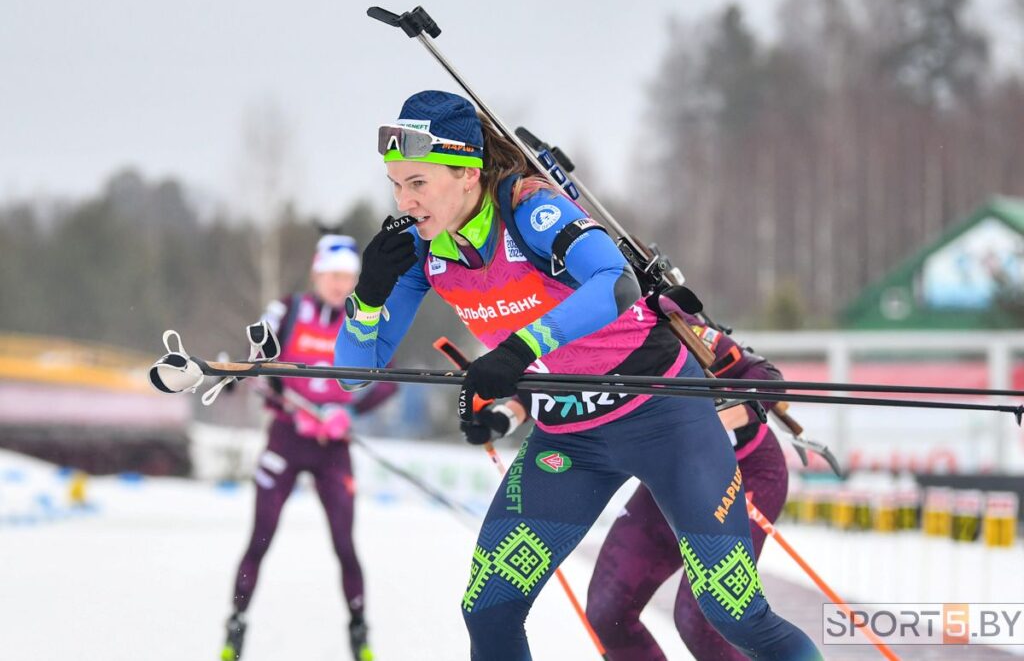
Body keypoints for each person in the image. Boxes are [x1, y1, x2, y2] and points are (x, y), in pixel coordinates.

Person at [334, 89, 821, 660]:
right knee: (489, 609)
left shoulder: (529, 208)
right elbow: (353, 376)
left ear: (467, 174)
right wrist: (367, 297)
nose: (405, 200)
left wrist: (520, 350)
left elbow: (617, 283)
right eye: (396, 184)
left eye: (418, 183)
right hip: (569, 434)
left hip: (662, 415)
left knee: (733, 615)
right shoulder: (423, 250)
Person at [222, 233, 397, 661]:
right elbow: (256, 358)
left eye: (349, 277)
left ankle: (359, 633)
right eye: (334, 274)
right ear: (318, 273)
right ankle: (236, 628)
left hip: (332, 446)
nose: (341, 285)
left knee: (344, 543)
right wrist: (251, 382)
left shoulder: (366, 317)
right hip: (286, 437)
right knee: (260, 537)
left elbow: (388, 380)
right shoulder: (289, 308)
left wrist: (350, 412)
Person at [585, 316, 791, 660]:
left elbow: (766, 379)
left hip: (746, 470)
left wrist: (713, 422)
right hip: (672, 475)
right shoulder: (567, 329)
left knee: (702, 620)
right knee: (608, 612)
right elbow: (539, 389)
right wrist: (507, 413)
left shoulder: (656, 317)